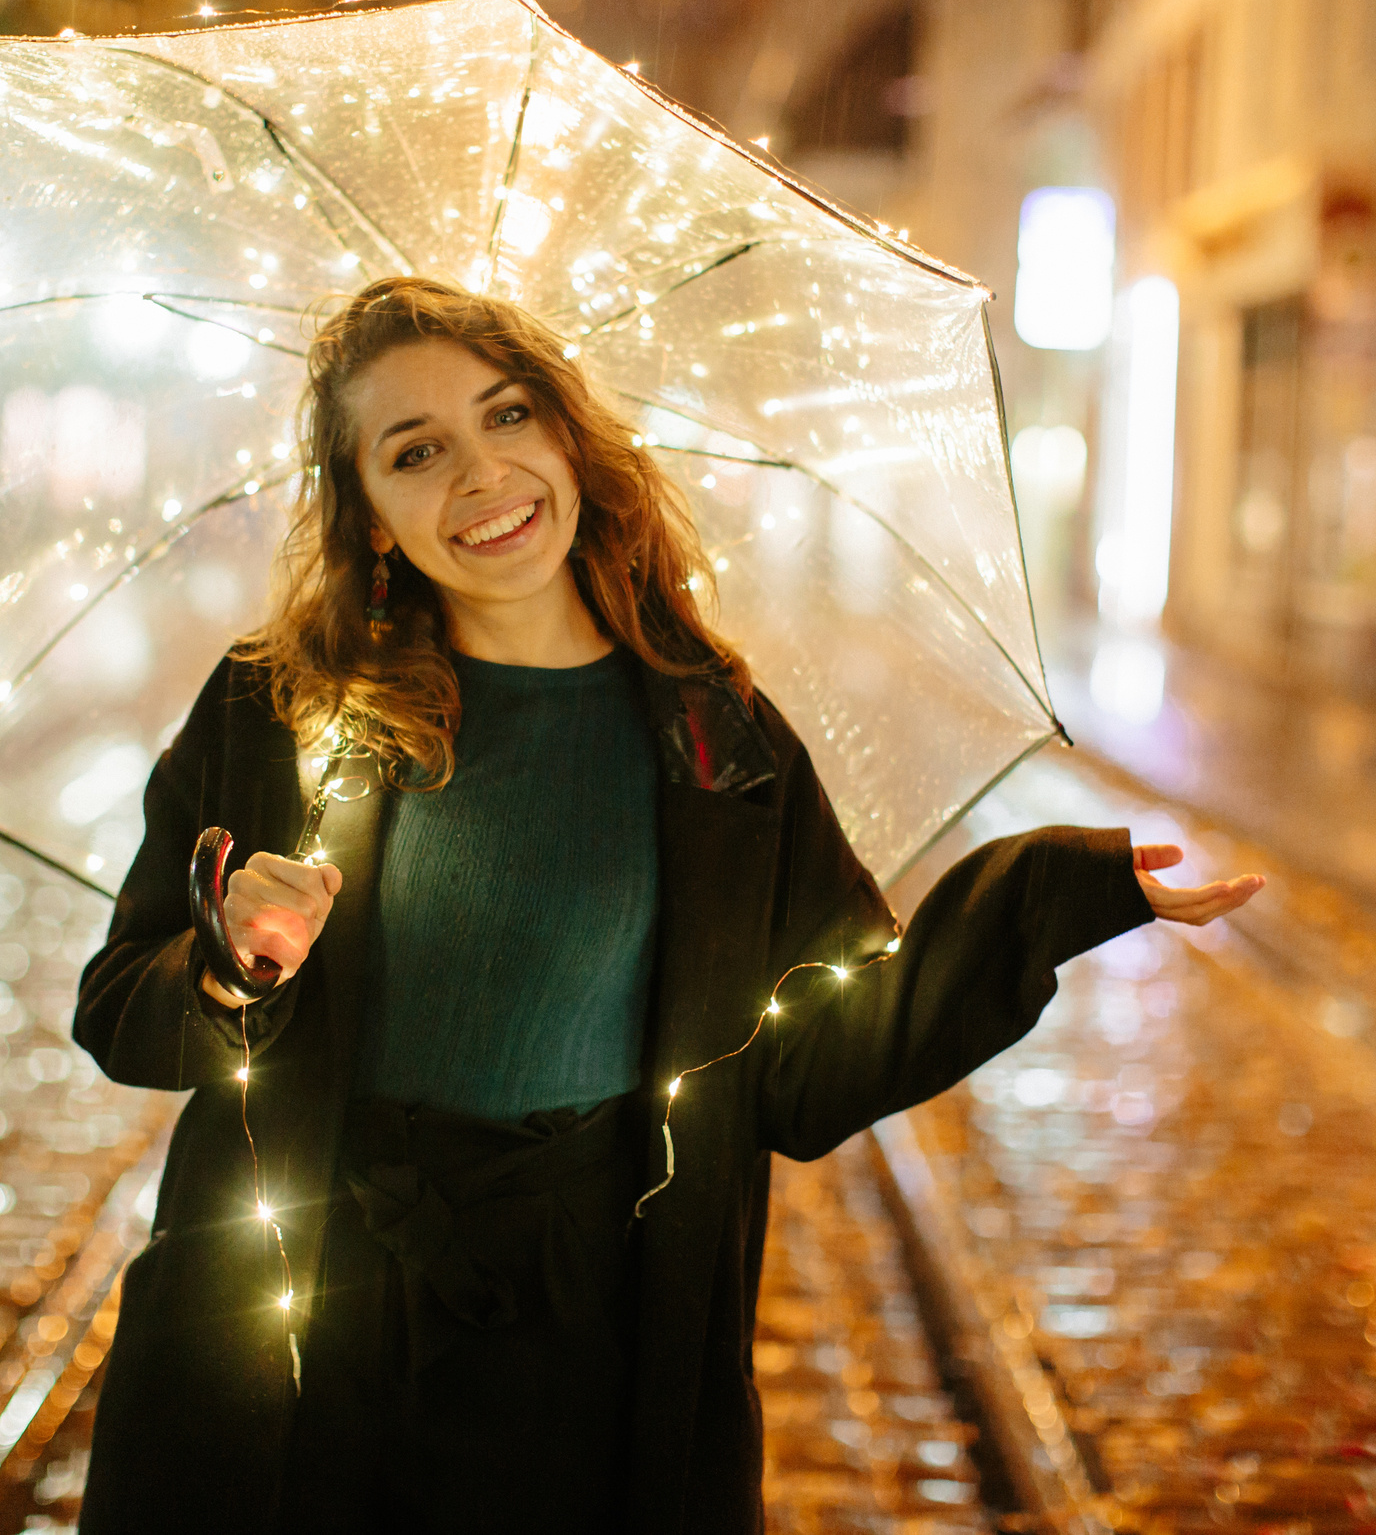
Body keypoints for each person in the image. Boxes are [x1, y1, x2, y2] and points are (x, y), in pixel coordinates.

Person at [71, 276, 1262, 1533]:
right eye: (415, 451)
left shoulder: (714, 734)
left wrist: (1046, 893)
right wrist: (224, 974)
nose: (482, 475)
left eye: (509, 416)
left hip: (597, 1333)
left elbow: (809, 1065)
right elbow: (118, 1008)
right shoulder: (280, 708)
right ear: (367, 513)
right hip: (295, 1330)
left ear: (568, 441)